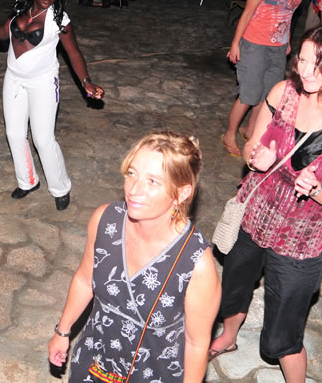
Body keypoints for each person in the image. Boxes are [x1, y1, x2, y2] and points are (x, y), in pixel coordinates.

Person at [209, 23, 322, 383]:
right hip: (254, 218)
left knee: (281, 337)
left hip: (301, 239)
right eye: (301, 60)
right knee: (235, 286)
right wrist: (256, 157)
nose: (306, 71)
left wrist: (315, 189)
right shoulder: (284, 91)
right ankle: (228, 336)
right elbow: (252, 142)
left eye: (317, 64)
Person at [48, 131, 221, 381]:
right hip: (95, 360)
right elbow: (85, 280)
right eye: (132, 173)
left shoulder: (195, 264)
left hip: (152, 373)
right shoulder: (104, 220)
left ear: (181, 193)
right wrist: (62, 332)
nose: (134, 189)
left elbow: (196, 344)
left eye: (153, 181)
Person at [0, 0, 103, 210]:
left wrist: (86, 82)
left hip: (43, 82)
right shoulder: (21, 5)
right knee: (14, 134)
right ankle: (28, 181)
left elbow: (73, 53)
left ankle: (60, 188)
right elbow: (2, 33)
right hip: (14, 79)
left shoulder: (60, 19)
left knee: (43, 139)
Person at [222, 0, 305, 157]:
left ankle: (250, 129)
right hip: (255, 45)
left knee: (268, 93)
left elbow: (289, 14)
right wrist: (235, 44)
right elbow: (247, 13)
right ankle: (229, 134)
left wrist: (286, 40)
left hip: (277, 47)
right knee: (250, 93)